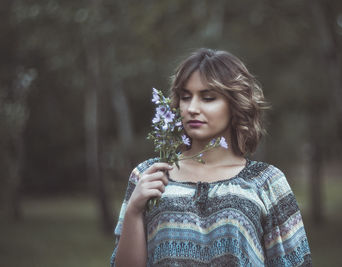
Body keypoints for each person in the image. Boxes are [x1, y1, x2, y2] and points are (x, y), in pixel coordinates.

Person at [111, 48, 312, 266]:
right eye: (185, 97)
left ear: (234, 104)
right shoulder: (150, 175)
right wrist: (133, 211)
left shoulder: (266, 182)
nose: (192, 108)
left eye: (208, 98)